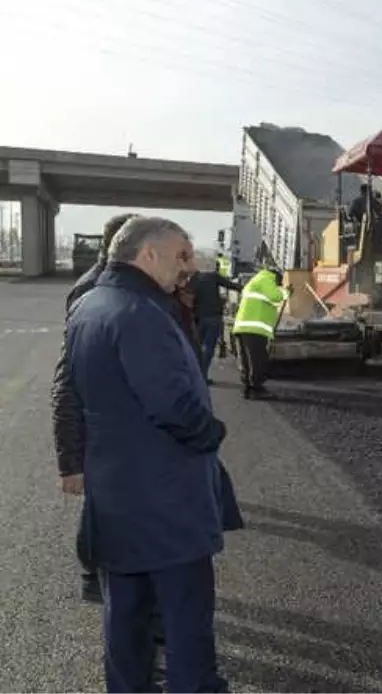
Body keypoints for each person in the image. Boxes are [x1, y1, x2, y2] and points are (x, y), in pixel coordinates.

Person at [65, 216, 235, 694]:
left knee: (127, 620)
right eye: (182, 254)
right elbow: (174, 407)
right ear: (149, 254)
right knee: (186, 625)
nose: (189, 266)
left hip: (116, 497)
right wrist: (212, 432)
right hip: (167, 504)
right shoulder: (141, 314)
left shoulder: (91, 305)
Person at [51, 212, 137, 603]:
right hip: (100, 423)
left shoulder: (120, 286)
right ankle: (93, 574)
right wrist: (70, 460)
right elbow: (67, 380)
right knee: (100, 504)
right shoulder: (93, 292)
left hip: (118, 420)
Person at [230, 267, 288, 399]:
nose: (278, 285)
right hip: (254, 329)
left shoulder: (254, 281)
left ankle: (247, 388)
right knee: (257, 360)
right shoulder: (266, 279)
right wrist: (285, 292)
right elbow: (276, 297)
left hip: (243, 327)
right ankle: (257, 389)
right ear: (276, 277)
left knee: (246, 360)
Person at [190, 264, 242, 383]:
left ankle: (195, 375)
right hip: (213, 317)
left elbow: (188, 294)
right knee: (208, 348)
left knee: (196, 348)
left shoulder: (195, 278)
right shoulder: (213, 277)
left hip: (198, 318)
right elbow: (231, 285)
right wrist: (246, 287)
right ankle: (202, 376)